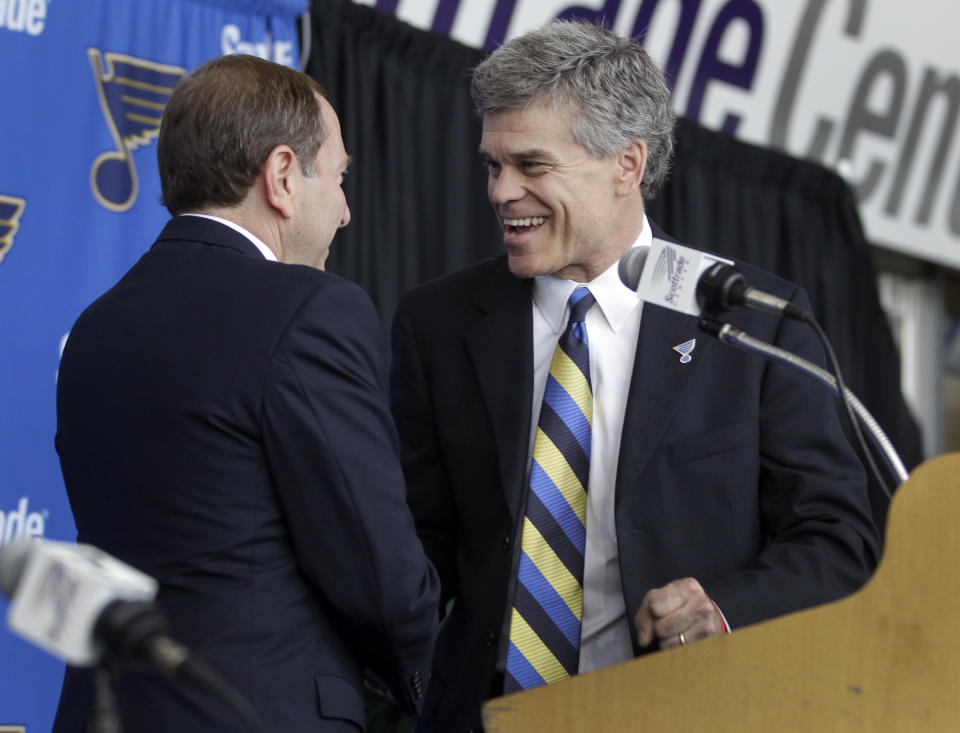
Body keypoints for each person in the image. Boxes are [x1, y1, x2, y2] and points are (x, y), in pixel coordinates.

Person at [390, 21, 880, 733]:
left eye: (532, 165)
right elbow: (416, 545)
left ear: (627, 164)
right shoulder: (436, 322)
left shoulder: (753, 320)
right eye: (493, 166)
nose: (502, 191)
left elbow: (838, 537)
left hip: (685, 711)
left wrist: (724, 608)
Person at [53, 54, 438, 732]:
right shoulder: (309, 309)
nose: (346, 213)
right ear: (283, 175)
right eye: (340, 177)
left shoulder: (95, 326)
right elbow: (382, 578)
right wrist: (440, 686)